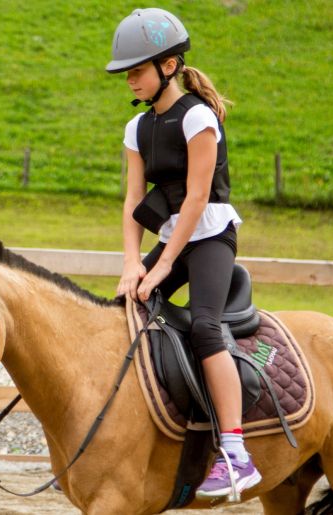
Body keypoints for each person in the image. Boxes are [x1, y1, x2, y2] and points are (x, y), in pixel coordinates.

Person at [106, 8, 261, 499]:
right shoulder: (137, 127)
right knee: (123, 308)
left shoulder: (197, 116)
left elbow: (196, 198)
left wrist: (164, 264)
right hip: (170, 237)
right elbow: (133, 203)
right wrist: (133, 264)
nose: (129, 79)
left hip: (211, 236)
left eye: (136, 69)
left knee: (204, 325)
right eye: (126, 72)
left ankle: (236, 454)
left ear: (168, 66)